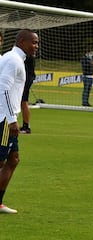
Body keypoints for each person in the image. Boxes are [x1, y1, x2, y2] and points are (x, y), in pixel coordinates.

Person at [0, 29, 39, 213]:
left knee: (13, 159)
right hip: (5, 120)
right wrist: (12, 119)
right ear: (22, 41)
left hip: (7, 118)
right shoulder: (13, 60)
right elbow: (3, 90)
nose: (36, 46)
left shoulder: (16, 59)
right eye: (33, 42)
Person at [19, 56, 36, 134]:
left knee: (24, 101)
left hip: (26, 78)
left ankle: (26, 127)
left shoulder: (27, 54)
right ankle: (25, 125)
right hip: (26, 77)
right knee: (22, 101)